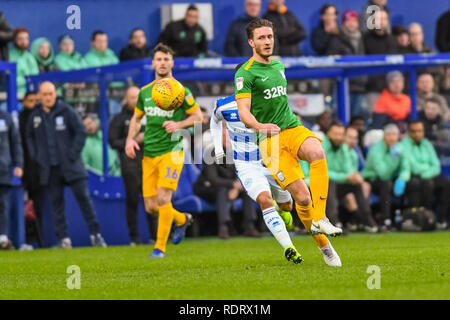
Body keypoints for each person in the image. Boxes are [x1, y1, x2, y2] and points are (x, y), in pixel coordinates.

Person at [235, 18, 342, 265]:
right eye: (261, 38)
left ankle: (321, 218)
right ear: (251, 42)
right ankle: (324, 247)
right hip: (269, 142)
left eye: (270, 36)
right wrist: (261, 126)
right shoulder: (245, 73)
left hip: (292, 128)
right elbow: (244, 112)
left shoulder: (279, 65)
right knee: (302, 199)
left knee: (317, 151)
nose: (267, 41)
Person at [209, 95, 330, 265]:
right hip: (247, 165)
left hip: (272, 160)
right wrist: (217, 147)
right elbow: (214, 120)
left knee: (287, 205)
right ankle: (289, 247)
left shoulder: (267, 101)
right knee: (265, 199)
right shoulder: (223, 105)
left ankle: (282, 211)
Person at [125, 43, 203, 258]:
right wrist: (129, 140)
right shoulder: (145, 92)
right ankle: (181, 219)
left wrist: (179, 125)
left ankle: (159, 247)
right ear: (153, 63)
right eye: (159, 59)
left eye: (166, 59)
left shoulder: (181, 92)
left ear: (172, 63)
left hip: (173, 150)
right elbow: (137, 118)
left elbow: (199, 117)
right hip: (149, 152)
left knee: (163, 198)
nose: (162, 63)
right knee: (151, 207)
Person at [26, 81, 107, 249]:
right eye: (45, 94)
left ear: (55, 94)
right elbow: (29, 138)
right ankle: (63, 239)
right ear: (40, 96)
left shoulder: (66, 111)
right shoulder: (35, 116)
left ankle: (96, 235)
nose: (48, 97)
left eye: (51, 94)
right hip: (50, 168)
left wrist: (72, 154)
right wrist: (37, 157)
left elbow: (81, 131)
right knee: (56, 205)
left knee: (84, 200)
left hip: (71, 166)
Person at [194, 124, 262, 240]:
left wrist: (236, 187)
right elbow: (213, 179)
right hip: (207, 188)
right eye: (224, 136)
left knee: (247, 189)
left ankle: (249, 226)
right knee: (222, 190)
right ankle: (223, 227)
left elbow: (242, 173)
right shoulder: (211, 153)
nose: (227, 139)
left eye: (229, 136)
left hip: (228, 187)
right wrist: (233, 185)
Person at [108, 86, 158, 245]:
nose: (136, 100)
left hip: (149, 163)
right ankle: (134, 238)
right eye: (132, 97)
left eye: (138, 97)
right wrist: (134, 140)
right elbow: (112, 141)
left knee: (151, 201)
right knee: (132, 201)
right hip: (130, 166)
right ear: (126, 99)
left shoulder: (149, 116)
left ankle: (155, 237)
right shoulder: (119, 119)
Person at [323, 122, 377, 233]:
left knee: (357, 184)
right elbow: (324, 173)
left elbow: (347, 168)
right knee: (330, 182)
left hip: (338, 184)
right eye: (335, 134)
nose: (338, 137)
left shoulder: (344, 148)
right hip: (321, 185)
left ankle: (368, 222)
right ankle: (334, 223)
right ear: (328, 134)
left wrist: (352, 176)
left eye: (341, 134)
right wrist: (347, 176)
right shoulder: (322, 147)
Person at [401, 121, 449, 229]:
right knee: (424, 184)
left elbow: (436, 165)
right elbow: (412, 167)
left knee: (446, 183)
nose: (417, 134)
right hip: (413, 177)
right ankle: (422, 218)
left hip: (427, 175)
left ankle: (441, 220)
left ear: (423, 132)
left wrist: (426, 173)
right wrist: (427, 169)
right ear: (409, 132)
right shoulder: (404, 145)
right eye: (414, 131)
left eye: (419, 131)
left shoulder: (427, 144)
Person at [362, 124, 411, 229]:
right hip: (373, 179)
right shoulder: (376, 149)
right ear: (384, 136)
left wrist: (402, 178)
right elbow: (383, 174)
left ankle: (408, 218)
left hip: (392, 177)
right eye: (389, 134)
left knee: (412, 183)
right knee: (386, 184)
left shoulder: (401, 147)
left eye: (394, 134)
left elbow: (406, 167)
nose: (392, 138)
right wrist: (393, 159)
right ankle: (386, 219)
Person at [327, 9, 367, 117]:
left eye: (354, 20)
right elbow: (331, 61)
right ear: (343, 22)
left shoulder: (362, 38)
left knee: (357, 117)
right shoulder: (336, 38)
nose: (352, 23)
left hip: (359, 84)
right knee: (340, 116)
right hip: (342, 84)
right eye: (348, 20)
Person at [19, 91, 43, 246]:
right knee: (21, 207)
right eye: (30, 101)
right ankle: (24, 239)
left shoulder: (40, 118)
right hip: (22, 170)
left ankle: (39, 240)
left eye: (35, 101)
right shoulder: (20, 119)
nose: (33, 104)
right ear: (24, 102)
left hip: (37, 170)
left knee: (37, 207)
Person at [0, 108, 23, 250]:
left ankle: (2, 237)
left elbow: (15, 143)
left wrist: (18, 164)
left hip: (2, 170)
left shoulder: (6, 118)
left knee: (1, 204)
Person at [363, 9, 398, 97]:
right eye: (379, 19)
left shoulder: (393, 40)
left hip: (391, 87)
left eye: (384, 19)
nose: (382, 22)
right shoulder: (364, 39)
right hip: (372, 88)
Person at [8, 28, 39, 94]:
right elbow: (9, 80)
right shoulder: (8, 56)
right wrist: (27, 79)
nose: (24, 41)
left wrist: (26, 79)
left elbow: (35, 77)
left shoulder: (30, 56)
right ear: (14, 40)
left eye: (26, 38)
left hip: (31, 95)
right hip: (12, 95)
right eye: (20, 39)